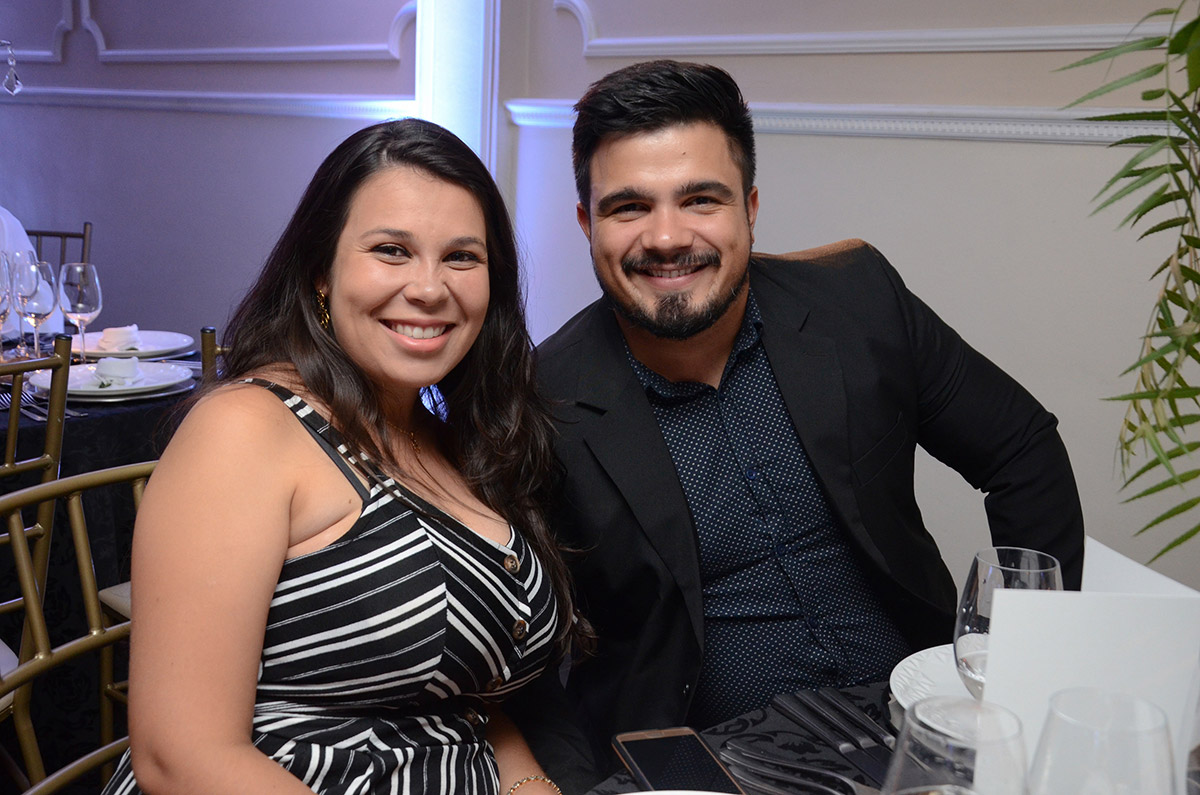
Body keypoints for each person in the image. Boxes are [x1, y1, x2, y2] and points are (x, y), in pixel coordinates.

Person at [526, 59, 1085, 780]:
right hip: (708, 767)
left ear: (750, 208)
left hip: (922, 730)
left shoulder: (859, 301)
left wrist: (1023, 666)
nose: (666, 237)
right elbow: (518, 657)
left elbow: (1021, 449)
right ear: (586, 222)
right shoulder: (539, 403)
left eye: (701, 199)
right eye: (629, 207)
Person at [102, 118, 586, 795]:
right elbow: (179, 756)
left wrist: (530, 783)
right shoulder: (245, 429)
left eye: (461, 257)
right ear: (320, 274)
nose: (429, 288)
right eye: (391, 250)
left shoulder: (444, 435)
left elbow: (460, 689)